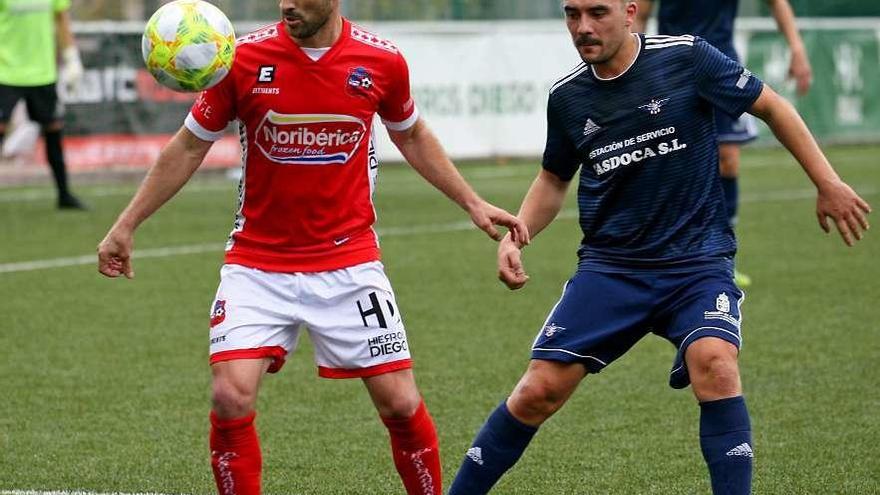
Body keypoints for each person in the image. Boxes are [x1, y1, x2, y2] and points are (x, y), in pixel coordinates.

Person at [97, 1, 529, 494]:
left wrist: (472, 202)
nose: (287, 5)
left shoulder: (382, 62)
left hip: (350, 263)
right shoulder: (241, 59)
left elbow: (412, 136)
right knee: (229, 395)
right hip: (256, 263)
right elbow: (189, 146)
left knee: (400, 403)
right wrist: (126, 224)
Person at [448, 1, 870, 494]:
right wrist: (519, 235)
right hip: (612, 268)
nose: (583, 27)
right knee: (539, 390)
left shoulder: (688, 58)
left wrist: (828, 182)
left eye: (597, 13)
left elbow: (772, 105)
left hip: (696, 262)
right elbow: (553, 177)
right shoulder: (567, 97)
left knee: (715, 362)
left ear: (630, 13)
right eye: (572, 14)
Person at [633, 0, 813, 287]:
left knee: (728, 157)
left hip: (720, 63)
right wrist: (636, 65)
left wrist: (797, 48)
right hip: (670, 66)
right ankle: (662, 253)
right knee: (668, 160)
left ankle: (722, 258)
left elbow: (777, 3)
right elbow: (639, 13)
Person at [0, 0, 85, 209]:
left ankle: (64, 195)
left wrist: (72, 58)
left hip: (43, 72)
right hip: (5, 71)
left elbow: (61, 19)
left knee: (53, 129)